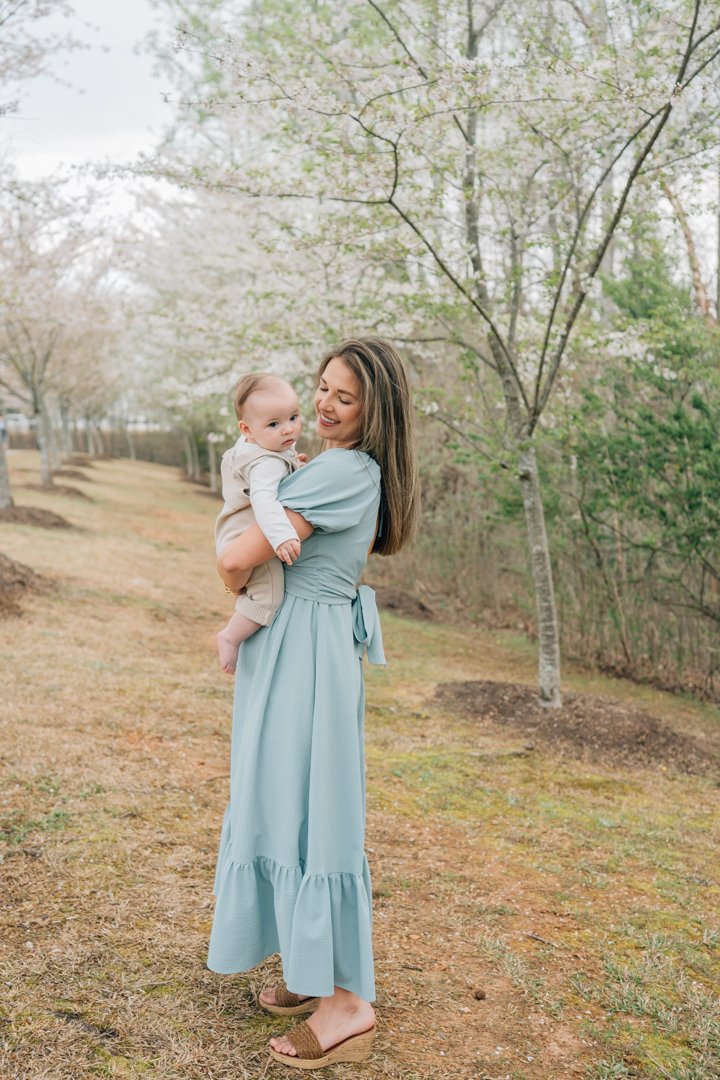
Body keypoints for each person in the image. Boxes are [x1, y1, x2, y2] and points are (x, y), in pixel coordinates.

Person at [209, 337, 420, 1069]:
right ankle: (310, 966)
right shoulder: (327, 466)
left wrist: (233, 575)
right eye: (322, 387)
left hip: (306, 651)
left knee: (318, 807)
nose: (325, 404)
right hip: (293, 642)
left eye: (344, 396)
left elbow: (236, 558)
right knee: (285, 800)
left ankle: (348, 1002)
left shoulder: (343, 471)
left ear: (374, 410)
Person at [215, 373, 303, 675]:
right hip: (247, 534)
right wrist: (282, 537)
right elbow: (264, 498)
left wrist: (293, 465)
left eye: (293, 417)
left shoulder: (254, 446)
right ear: (247, 429)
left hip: (234, 529)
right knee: (268, 595)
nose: (288, 429)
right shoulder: (267, 462)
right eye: (274, 424)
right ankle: (231, 636)